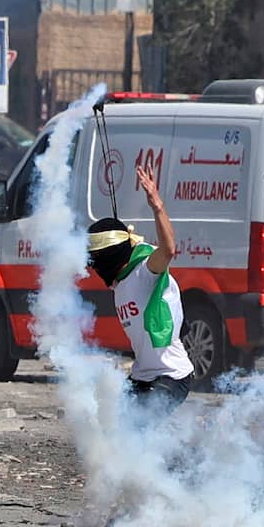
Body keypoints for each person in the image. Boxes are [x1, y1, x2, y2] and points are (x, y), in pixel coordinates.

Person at [86, 166, 194, 415]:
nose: (93, 269)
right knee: (109, 422)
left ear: (108, 258)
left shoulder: (144, 271)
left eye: (95, 262)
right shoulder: (119, 282)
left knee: (138, 430)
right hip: (142, 376)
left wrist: (157, 206)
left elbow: (168, 251)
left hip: (171, 376)